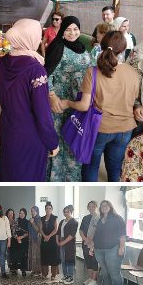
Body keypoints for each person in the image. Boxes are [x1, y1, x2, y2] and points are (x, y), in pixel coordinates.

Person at [54, 31, 141, 182]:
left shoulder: (93, 72)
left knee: (91, 168)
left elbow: (83, 106)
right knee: (115, 170)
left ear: (101, 46)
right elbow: (134, 100)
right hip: (125, 129)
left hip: (99, 129)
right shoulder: (133, 73)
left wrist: (67, 102)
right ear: (123, 48)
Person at [0, 19, 60, 182]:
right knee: (29, 176)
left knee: (9, 169)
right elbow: (42, 113)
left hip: (8, 127)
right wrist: (52, 142)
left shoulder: (2, 62)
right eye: (38, 36)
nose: (39, 40)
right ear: (28, 38)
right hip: (30, 134)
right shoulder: (36, 69)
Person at [45, 16, 94, 182]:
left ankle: (72, 180)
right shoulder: (57, 47)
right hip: (60, 100)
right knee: (60, 137)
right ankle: (55, 178)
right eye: (68, 29)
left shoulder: (82, 47)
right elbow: (46, 75)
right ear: (62, 31)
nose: (72, 33)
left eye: (75, 29)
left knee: (75, 137)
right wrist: (51, 96)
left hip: (80, 100)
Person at [92, 200, 126, 285]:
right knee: (105, 271)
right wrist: (92, 247)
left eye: (106, 205)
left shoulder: (117, 218)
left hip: (113, 248)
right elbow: (96, 235)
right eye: (102, 205)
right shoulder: (100, 219)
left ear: (110, 207)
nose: (104, 207)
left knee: (114, 272)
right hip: (99, 249)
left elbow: (122, 234)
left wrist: (121, 247)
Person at [79, 201, 99, 285]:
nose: (91, 208)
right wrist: (85, 239)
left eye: (93, 206)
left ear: (96, 207)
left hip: (95, 244)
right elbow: (81, 230)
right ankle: (90, 278)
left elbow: (98, 231)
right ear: (88, 207)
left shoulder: (99, 218)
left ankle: (94, 280)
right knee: (88, 261)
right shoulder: (85, 218)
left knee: (94, 261)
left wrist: (91, 240)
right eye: (90, 206)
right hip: (85, 243)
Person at [57, 205, 78, 285]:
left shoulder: (74, 222)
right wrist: (57, 241)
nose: (66, 213)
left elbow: (72, 234)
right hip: (61, 241)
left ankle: (70, 277)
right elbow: (58, 232)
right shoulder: (62, 221)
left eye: (68, 211)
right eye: (64, 211)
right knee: (63, 259)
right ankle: (65, 275)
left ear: (71, 212)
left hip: (69, 243)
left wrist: (63, 242)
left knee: (69, 259)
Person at [40, 202, 61, 283]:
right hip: (44, 240)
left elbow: (56, 229)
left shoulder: (55, 218)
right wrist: (45, 236)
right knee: (44, 256)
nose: (48, 210)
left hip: (52, 240)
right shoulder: (42, 218)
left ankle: (53, 275)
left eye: (50, 208)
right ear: (45, 209)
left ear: (52, 209)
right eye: (47, 208)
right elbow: (40, 229)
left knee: (53, 257)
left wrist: (49, 236)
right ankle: (44, 274)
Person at [12, 208, 29, 277]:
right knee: (15, 255)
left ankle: (23, 270)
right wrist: (17, 238)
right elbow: (13, 231)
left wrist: (21, 237)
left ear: (25, 214)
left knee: (23, 256)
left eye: (23, 213)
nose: (21, 214)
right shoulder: (16, 221)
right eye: (20, 213)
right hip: (16, 241)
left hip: (24, 241)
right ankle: (15, 269)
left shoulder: (27, 222)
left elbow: (28, 232)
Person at [28, 206, 42, 276]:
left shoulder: (39, 219)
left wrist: (33, 223)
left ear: (37, 211)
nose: (32, 212)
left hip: (37, 240)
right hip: (31, 239)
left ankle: (38, 270)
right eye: (31, 211)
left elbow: (38, 230)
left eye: (34, 211)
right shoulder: (31, 219)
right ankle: (34, 270)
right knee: (32, 255)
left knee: (37, 255)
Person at [6, 209, 17, 274]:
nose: (10, 214)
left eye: (12, 213)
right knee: (8, 254)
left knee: (14, 254)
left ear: (13, 214)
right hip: (6, 240)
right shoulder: (4, 222)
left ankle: (14, 268)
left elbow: (16, 232)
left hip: (14, 240)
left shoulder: (15, 221)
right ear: (7, 214)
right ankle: (10, 267)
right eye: (9, 213)